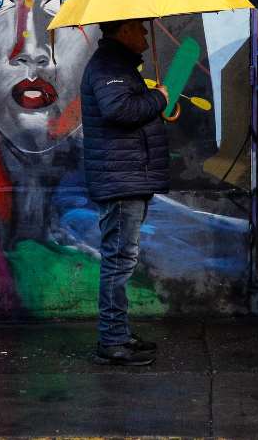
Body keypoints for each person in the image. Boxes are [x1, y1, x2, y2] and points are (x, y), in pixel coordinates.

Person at [81, 18, 174, 366]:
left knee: (123, 259)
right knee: (119, 261)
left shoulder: (118, 66)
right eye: (139, 28)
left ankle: (118, 332)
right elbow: (119, 110)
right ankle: (112, 340)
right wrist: (157, 97)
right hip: (121, 180)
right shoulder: (108, 65)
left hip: (128, 176)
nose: (146, 34)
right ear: (122, 31)